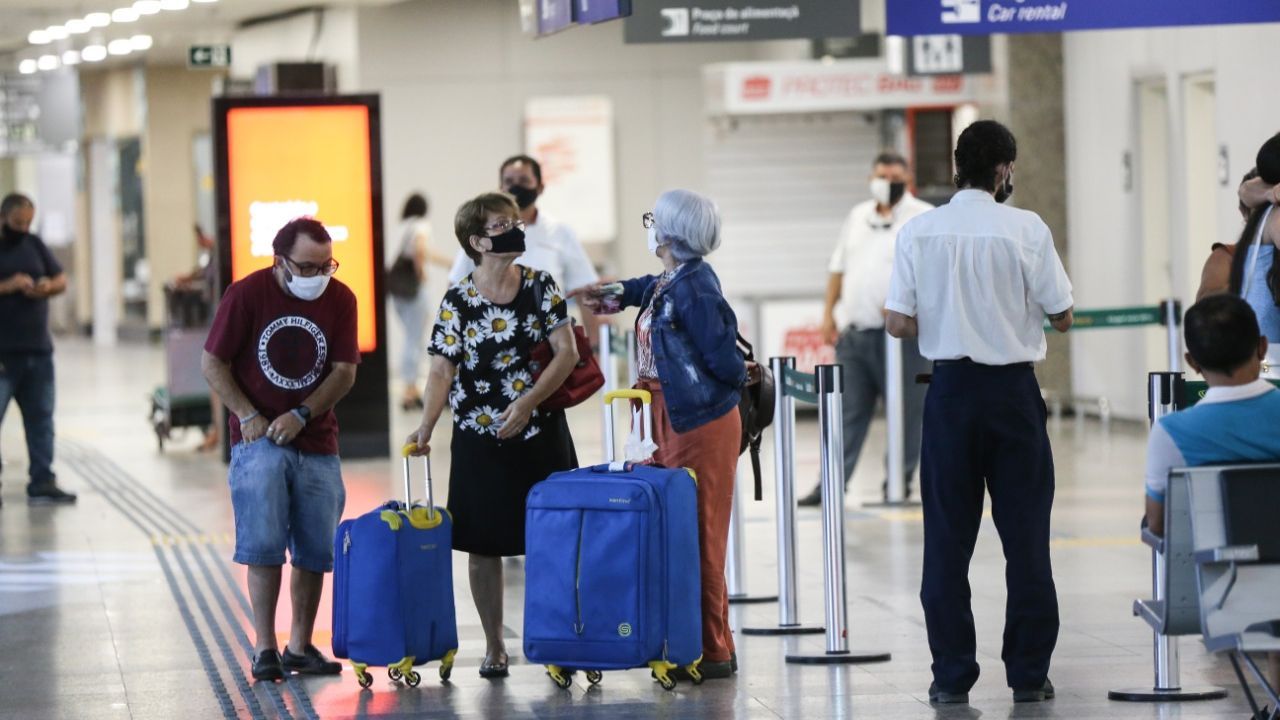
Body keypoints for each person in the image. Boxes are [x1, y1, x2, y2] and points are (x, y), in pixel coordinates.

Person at [885, 120, 1074, 705]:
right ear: (1003, 169)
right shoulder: (1027, 229)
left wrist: (944, 323)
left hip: (950, 397)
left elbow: (895, 321)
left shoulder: (918, 231)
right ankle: (1028, 674)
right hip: (1013, 397)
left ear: (958, 166)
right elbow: (1062, 314)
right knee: (1026, 541)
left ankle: (951, 677)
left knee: (946, 542)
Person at [575, 189, 751, 680]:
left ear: (672, 232)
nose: (648, 225)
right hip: (666, 418)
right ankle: (686, 642)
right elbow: (645, 287)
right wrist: (606, 293)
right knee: (675, 533)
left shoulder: (697, 286)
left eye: (654, 219)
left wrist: (742, 374)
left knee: (701, 536)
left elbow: (723, 360)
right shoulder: (672, 279)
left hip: (700, 423)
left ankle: (714, 650)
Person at [407, 192, 580, 680]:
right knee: (483, 545)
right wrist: (426, 427)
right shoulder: (458, 298)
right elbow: (441, 370)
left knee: (551, 539)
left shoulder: (541, 286)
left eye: (514, 219)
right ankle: (493, 646)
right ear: (478, 241)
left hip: (540, 432)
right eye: (503, 223)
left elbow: (565, 352)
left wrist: (527, 403)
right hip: (479, 438)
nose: (516, 226)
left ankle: (553, 639)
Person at [201, 217, 358, 682]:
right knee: (264, 544)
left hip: (316, 439)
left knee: (315, 547)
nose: (317, 276)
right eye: (306, 267)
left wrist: (303, 414)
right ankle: (265, 646)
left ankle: (300, 645)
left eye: (325, 265)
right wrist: (248, 416)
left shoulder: (341, 298)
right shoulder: (246, 295)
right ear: (279, 261)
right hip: (260, 439)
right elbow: (213, 362)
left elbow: (344, 371)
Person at [1143, 294, 1280, 693]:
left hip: (1225, 601)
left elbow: (1159, 524)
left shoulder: (1172, 433)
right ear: (1262, 346)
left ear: (1192, 362)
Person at [798, 151, 934, 507]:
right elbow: (838, 266)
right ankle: (830, 484)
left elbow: (934, 274)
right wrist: (828, 314)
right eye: (881, 175)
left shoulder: (923, 218)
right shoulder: (858, 216)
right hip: (856, 335)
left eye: (894, 175)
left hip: (904, 338)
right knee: (846, 411)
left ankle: (898, 483)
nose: (887, 182)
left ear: (907, 178)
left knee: (907, 412)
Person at [448, 155, 602, 346]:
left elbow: (584, 289)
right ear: (500, 187)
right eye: (509, 181)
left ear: (540, 187)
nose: (516, 187)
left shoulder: (560, 233)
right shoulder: (482, 234)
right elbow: (456, 287)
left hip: (547, 344)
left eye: (524, 180)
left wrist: (594, 347)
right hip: (490, 340)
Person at [0, 192, 75, 505]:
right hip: (3, 356)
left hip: (38, 352)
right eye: (18, 222)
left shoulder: (34, 244)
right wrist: (10, 285)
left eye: (28, 222)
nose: (23, 227)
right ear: (4, 218)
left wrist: (47, 287)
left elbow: (60, 279)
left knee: (42, 420)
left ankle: (42, 480)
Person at [388, 193, 453, 411]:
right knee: (415, 338)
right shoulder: (421, 225)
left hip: (398, 289)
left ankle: (411, 388)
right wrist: (422, 273)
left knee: (411, 336)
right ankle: (410, 390)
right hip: (413, 288)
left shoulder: (402, 225)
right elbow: (420, 249)